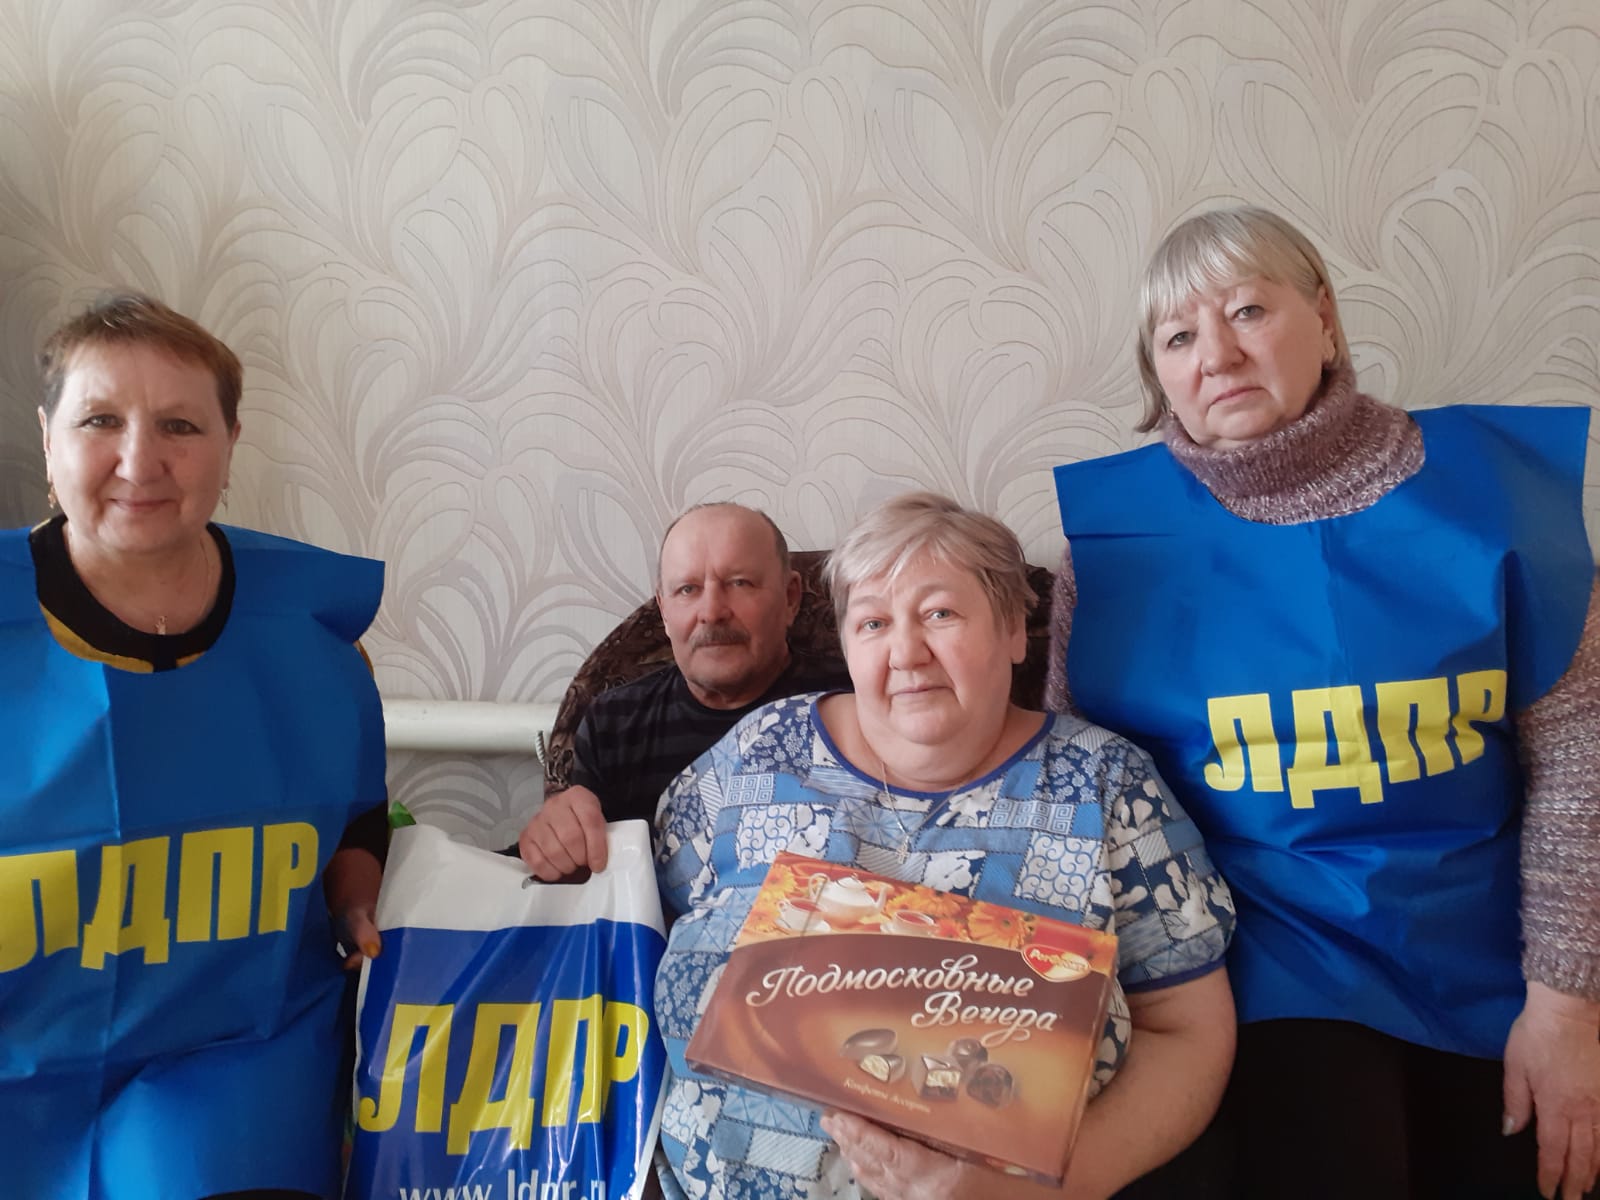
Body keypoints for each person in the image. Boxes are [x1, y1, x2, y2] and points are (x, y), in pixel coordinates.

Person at [1048, 205, 1600, 1200]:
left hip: (1486, 941)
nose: (1216, 354)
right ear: (1159, 374)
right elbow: (1070, 791)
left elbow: (1578, 759)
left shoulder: (1498, 498)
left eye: (1247, 310)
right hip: (1260, 963)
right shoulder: (1107, 555)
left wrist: (1566, 1007)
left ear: (1326, 319)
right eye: (1178, 336)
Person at [652, 491, 1237, 1199]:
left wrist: (1027, 1196)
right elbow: (639, 909)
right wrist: (574, 813)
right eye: (873, 622)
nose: (906, 653)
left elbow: (1187, 1034)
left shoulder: (1106, 785)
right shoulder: (757, 755)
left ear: (1014, 630)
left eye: (939, 614)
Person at [0, 292, 388, 1199]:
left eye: (180, 424)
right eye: (100, 420)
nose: (141, 460)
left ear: (229, 443)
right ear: (48, 439)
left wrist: (354, 901)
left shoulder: (315, 639)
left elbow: (357, 816)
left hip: (236, 1073)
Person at [518, 501, 848, 876]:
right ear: (663, 610)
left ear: (790, 598)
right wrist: (555, 842)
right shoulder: (613, 724)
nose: (712, 612)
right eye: (687, 589)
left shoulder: (855, 706)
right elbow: (588, 882)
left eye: (739, 583)